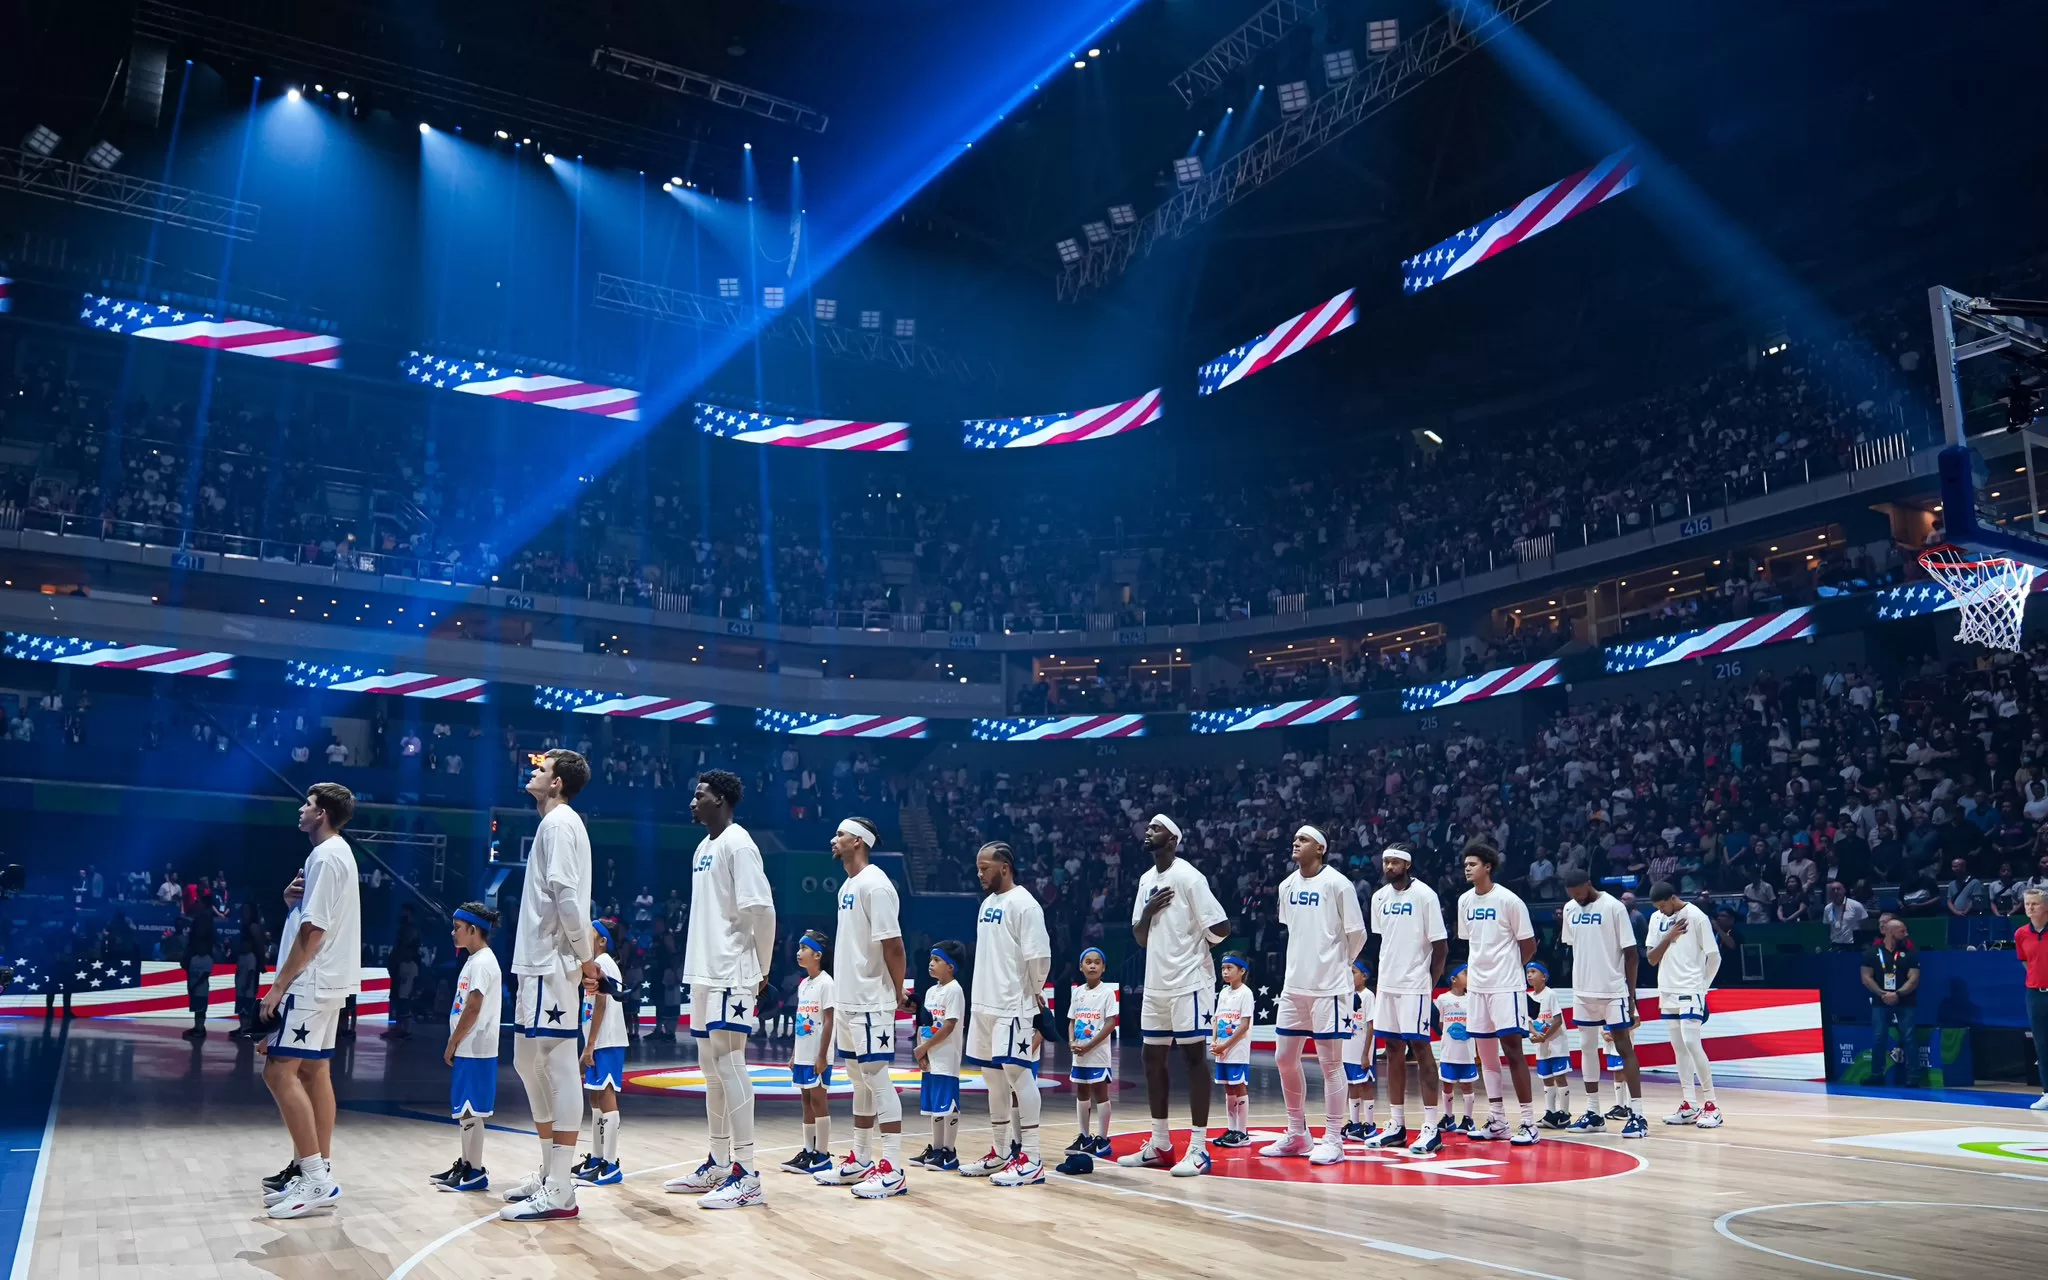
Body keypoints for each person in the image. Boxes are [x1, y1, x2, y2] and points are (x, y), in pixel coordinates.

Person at [666, 770, 777, 1208]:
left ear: (722, 800)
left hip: (733, 970)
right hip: (706, 971)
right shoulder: (703, 847)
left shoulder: (739, 843)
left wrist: (761, 967)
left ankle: (747, 1173)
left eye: (700, 795)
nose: (693, 802)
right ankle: (717, 1160)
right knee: (710, 1070)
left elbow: (762, 910)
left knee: (731, 1064)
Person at [499, 749, 598, 1223]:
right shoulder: (553, 824)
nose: (532, 771)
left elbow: (567, 899)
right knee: (524, 1058)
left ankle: (562, 1187)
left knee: (558, 1064)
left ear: (557, 782)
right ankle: (548, 1171)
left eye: (540, 768)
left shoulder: (559, 824)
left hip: (554, 962)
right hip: (537, 961)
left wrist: (586, 957)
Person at [258, 782, 362, 1220]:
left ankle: (316, 1177)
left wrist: (279, 985)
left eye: (307, 804)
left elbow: (313, 931)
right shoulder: (338, 853)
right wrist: (289, 904)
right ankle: (315, 1168)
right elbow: (311, 919)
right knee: (316, 1072)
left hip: (311, 982)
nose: (300, 809)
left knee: (278, 1072)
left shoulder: (324, 856)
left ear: (321, 813)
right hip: (331, 981)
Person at [1118, 815, 1231, 1177]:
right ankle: (1160, 1143)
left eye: (1156, 828)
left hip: (1190, 982)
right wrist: (1149, 911)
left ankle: (1198, 1149)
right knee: (1152, 1058)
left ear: (1173, 840)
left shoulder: (1188, 877)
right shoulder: (1145, 881)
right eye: (1148, 827)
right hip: (1157, 982)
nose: (1148, 831)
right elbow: (1139, 936)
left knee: (1194, 1057)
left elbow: (1222, 926)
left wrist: (1200, 947)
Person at [814, 815, 910, 1200]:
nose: (833, 840)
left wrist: (897, 989)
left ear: (859, 841)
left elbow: (894, 945)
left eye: (840, 834)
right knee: (858, 1080)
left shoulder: (876, 884)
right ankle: (861, 1157)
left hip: (872, 1000)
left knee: (877, 1076)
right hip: (851, 999)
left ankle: (894, 1167)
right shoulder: (848, 885)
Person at [1260, 824, 1367, 1165]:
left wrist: (1337, 965)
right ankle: (1297, 1134)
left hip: (1330, 988)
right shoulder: (1286, 885)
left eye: (1303, 839)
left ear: (1320, 848)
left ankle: (1334, 1139)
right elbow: (1292, 929)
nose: (1296, 842)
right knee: (1283, 1058)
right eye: (1295, 838)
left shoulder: (1338, 883)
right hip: (1294, 986)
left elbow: (1357, 933)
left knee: (1331, 1063)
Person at [961, 841, 1051, 1186]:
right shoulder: (987, 904)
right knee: (992, 1079)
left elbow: (1038, 957)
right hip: (985, 1002)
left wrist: (1032, 993)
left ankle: (1032, 1156)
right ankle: (1001, 1152)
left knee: (1019, 1076)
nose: (980, 874)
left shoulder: (1025, 904)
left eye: (985, 868)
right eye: (978, 867)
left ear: (1005, 867)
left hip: (1012, 1003)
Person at [1366, 842, 1449, 1156]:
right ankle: (1397, 1125)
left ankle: (1431, 1127)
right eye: (1386, 862)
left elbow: (1440, 947)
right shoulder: (1379, 898)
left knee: (1421, 1049)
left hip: (1415, 984)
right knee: (1392, 1050)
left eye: (1395, 862)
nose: (1389, 867)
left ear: (1408, 865)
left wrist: (1428, 983)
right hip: (1387, 984)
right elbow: (1383, 942)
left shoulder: (1425, 895)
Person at [1457, 839, 1540, 1145]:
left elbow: (1528, 944)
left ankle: (1529, 1122)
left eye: (1473, 864)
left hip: (1506, 986)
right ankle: (1498, 1121)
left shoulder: (1509, 900)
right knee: (1487, 1056)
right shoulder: (1464, 901)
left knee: (1514, 1052)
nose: (1467, 868)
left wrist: (1511, 970)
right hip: (1478, 987)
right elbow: (1471, 942)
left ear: (1487, 867)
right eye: (1465, 864)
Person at [1559, 869, 1647, 1137]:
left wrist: (1631, 997)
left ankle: (1638, 1114)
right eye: (1572, 895)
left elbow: (1632, 955)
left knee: (1624, 1048)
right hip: (1583, 991)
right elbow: (1575, 946)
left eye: (1580, 893)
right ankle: (1594, 1112)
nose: (1577, 899)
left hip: (1613, 990)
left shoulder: (1613, 907)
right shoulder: (1570, 909)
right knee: (1586, 1048)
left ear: (1589, 884)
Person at [433, 902, 501, 1193]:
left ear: (473, 930)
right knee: (465, 1109)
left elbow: (473, 1007)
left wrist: (453, 1040)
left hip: (476, 1047)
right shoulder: (475, 960)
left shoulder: (484, 962)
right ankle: (466, 1163)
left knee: (471, 1109)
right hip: (470, 1046)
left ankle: (474, 1170)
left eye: (457, 928)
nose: (452, 933)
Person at [1646, 880, 1723, 1127]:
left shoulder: (1696, 916)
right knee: (1679, 1048)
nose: (1660, 910)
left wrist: (1703, 987)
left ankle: (1712, 1105)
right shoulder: (1656, 919)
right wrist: (1668, 937)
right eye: (1656, 906)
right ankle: (1689, 1105)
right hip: (1666, 989)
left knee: (1691, 1042)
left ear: (1671, 898)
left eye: (1662, 905)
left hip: (1690, 988)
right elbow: (1651, 958)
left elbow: (1714, 957)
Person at [576, 920, 629, 1186]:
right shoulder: (596, 963)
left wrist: (590, 1044)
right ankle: (596, 1158)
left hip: (607, 1040)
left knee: (606, 1096)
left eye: (590, 934)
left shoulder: (605, 963)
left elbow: (600, 1005)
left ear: (602, 940)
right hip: (598, 1040)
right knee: (595, 1097)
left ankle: (611, 1163)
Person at [781, 930, 837, 1176]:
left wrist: (822, 1055)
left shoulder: (827, 983)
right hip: (803, 1054)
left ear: (817, 954)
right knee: (805, 1101)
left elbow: (828, 1021)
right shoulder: (804, 984)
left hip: (817, 1055)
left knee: (818, 1100)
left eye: (804, 948)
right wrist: (795, 1053)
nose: (798, 952)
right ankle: (808, 1150)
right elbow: (801, 1021)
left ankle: (822, 1155)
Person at [913, 939, 966, 1171]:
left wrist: (924, 1048)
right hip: (930, 1058)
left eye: (937, 960)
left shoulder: (954, 990)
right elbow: (923, 1024)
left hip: (946, 1058)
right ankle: (935, 1149)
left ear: (951, 966)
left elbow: (948, 1026)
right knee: (934, 1106)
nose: (931, 963)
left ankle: (949, 1152)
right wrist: (920, 1050)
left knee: (948, 1105)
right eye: (931, 959)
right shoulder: (930, 991)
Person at [1067, 947, 1118, 1160]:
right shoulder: (1077, 992)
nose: (1092, 965)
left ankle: (1103, 1139)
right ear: (1081, 967)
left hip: (1097, 1053)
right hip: (1079, 1053)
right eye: (1088, 962)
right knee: (1082, 1091)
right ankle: (1085, 1136)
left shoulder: (1107, 993)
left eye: (1097, 962)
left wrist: (1090, 1045)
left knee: (1100, 1092)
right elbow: (1072, 1020)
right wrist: (1071, 1041)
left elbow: (1110, 1023)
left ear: (1103, 967)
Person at [1861, 917, 1920, 1087]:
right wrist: (1883, 994)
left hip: (1905, 1001)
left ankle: (1913, 1076)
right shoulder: (1872, 953)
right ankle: (1877, 1074)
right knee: (1879, 1037)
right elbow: (1866, 978)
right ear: (1891, 932)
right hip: (1881, 1002)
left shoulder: (1909, 954)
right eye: (1902, 931)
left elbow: (1914, 979)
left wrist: (1898, 994)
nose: (1906, 934)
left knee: (1909, 1037)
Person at [1209, 955, 1256, 1146]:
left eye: (1229, 968)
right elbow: (1217, 1018)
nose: (1225, 972)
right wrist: (1214, 1042)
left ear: (1242, 971)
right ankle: (1232, 1129)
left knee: (1239, 1086)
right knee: (1228, 1088)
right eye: (1223, 968)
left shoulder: (1246, 993)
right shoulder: (1223, 993)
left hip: (1237, 1050)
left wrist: (1225, 1045)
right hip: (1222, 1049)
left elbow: (1244, 1025)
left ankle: (1242, 1132)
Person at [1526, 963, 1571, 1128]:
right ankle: (1550, 1112)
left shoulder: (1550, 994)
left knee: (1559, 1076)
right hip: (1542, 1044)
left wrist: (1544, 1036)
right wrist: (1534, 1034)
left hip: (1556, 1043)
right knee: (1546, 1078)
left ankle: (1565, 1114)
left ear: (1544, 976)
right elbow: (1528, 1021)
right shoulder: (1529, 996)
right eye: (1528, 972)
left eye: (1533, 972)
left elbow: (1558, 1020)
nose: (1529, 975)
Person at [2015, 887, 2048, 1110]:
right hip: (2035, 994)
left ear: (2045, 906)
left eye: (2034, 904)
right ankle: (2047, 1092)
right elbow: (2026, 961)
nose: (2030, 908)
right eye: (2027, 904)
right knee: (2042, 1044)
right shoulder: (2021, 934)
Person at [1435, 967, 1478, 1130]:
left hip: (1466, 1052)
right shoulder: (1442, 999)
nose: (1469, 976)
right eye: (1465, 974)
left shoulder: (1472, 999)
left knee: (1467, 1085)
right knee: (1447, 1085)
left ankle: (1468, 1119)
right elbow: (1440, 1023)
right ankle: (1449, 1117)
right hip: (1448, 1051)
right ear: (1454, 979)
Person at [1341, 960, 1379, 1140]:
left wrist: (1366, 1054)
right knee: (1351, 1085)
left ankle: (1370, 1125)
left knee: (1364, 1084)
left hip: (1361, 1050)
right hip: (1347, 1049)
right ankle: (1354, 1122)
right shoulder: (1347, 995)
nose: (1350, 975)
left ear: (1364, 976)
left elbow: (1371, 1026)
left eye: (1354, 972)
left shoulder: (1368, 996)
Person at [183, 904, 217, 1040]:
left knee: (201, 1009)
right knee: (196, 1009)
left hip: (201, 989)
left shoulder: (208, 959)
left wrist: (196, 985)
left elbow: (205, 975)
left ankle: (200, 1029)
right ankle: (197, 1027)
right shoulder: (193, 958)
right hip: (193, 987)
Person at [1824, 881, 1869, 950]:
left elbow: (1865, 926)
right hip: (1835, 945)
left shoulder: (1856, 906)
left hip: (1853, 945)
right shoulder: (1827, 909)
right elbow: (1827, 928)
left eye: (1838, 889)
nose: (1836, 892)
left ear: (1844, 890)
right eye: (1833, 890)